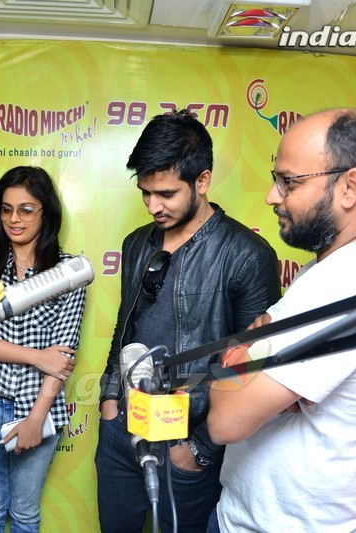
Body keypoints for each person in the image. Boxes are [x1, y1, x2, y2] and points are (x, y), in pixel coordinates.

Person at [207, 109, 356, 532]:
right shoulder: (330, 269)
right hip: (248, 517)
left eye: (289, 181)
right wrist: (257, 361)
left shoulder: (353, 282)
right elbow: (267, 378)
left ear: (349, 186)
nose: (272, 195)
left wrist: (244, 353)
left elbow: (225, 420)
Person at [96, 109, 281, 532]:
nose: (152, 205)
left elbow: (255, 367)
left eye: (165, 193)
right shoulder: (136, 244)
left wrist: (197, 449)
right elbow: (127, 329)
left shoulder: (247, 255)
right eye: (145, 192)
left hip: (186, 443)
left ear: (202, 181)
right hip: (122, 431)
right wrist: (109, 404)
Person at [0, 166, 87, 531]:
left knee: (25, 515)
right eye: (7, 208)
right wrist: (36, 356)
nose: (15, 219)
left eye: (26, 209)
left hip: (38, 406)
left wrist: (35, 419)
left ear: (46, 212)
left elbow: (60, 358)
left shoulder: (68, 272)